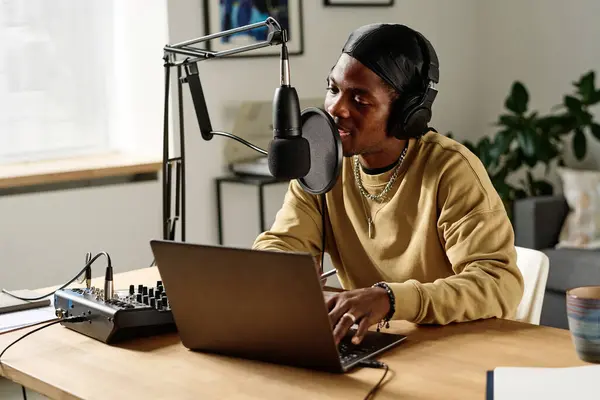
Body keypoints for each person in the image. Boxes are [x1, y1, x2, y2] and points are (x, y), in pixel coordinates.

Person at [252, 23, 524, 346]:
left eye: (360, 100)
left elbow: (498, 284)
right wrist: (279, 273)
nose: (337, 108)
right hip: (367, 345)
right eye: (333, 88)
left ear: (407, 114)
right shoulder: (321, 161)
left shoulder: (452, 171)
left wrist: (391, 300)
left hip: (453, 348)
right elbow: (282, 245)